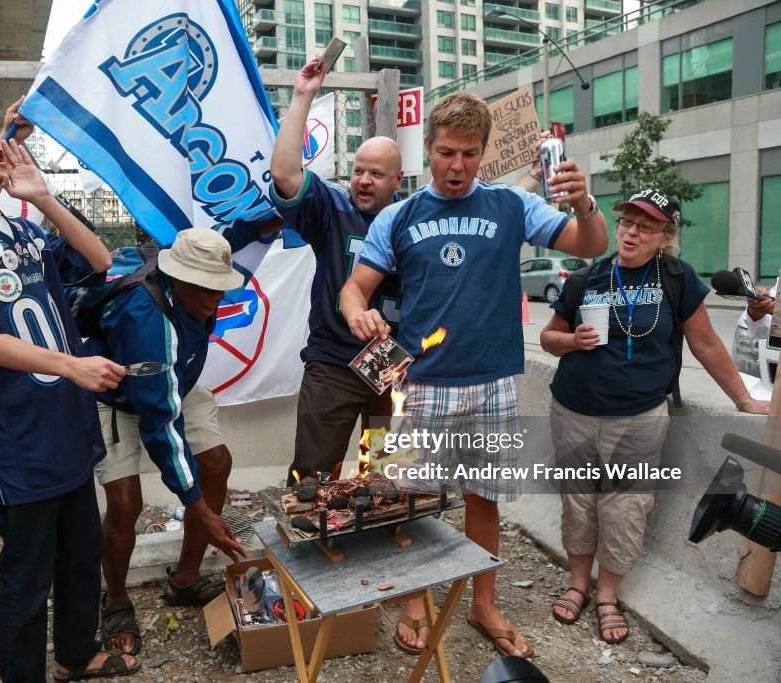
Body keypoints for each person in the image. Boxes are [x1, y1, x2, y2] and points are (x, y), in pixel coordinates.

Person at [340, 92, 609, 658]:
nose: (456, 166)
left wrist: (586, 206)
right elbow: (354, 288)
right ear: (428, 153)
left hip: (491, 380)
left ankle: (484, 604)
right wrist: (358, 312)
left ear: (483, 152)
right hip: (421, 384)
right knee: (415, 499)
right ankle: (416, 601)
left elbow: (591, 245)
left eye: (467, 154)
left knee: (484, 498)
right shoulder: (400, 215)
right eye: (445, 153)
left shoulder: (513, 205)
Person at [0, 101, 137, 681]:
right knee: (27, 572)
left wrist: (42, 196)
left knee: (80, 551)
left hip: (62, 419)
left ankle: (76, 653)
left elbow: (99, 259)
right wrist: (72, 366)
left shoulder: (24, 227)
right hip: (13, 431)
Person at [540, 188, 769, 644]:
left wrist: (744, 400)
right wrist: (573, 342)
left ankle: (607, 595)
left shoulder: (678, 279)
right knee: (579, 501)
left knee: (626, 507)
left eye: (645, 226)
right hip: (573, 410)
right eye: (627, 222)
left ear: (666, 236)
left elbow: (705, 344)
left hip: (640, 417)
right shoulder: (587, 278)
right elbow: (548, 338)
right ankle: (577, 584)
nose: (631, 232)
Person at [79, 228, 248, 657]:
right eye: (207, 290)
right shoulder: (147, 320)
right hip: (115, 396)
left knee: (216, 462)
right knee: (125, 502)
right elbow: (158, 425)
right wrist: (196, 505)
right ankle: (115, 598)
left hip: (171, 383)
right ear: (179, 280)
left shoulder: (197, 294)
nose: (215, 300)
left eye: (219, 289)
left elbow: (166, 397)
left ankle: (186, 579)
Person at [269, 56, 405, 485]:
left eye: (376, 174)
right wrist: (303, 97)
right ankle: (313, 545)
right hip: (333, 364)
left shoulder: (415, 220)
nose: (363, 180)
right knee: (313, 480)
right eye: (358, 171)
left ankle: (379, 540)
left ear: (398, 180)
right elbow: (285, 174)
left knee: (382, 474)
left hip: (391, 365)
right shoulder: (333, 210)